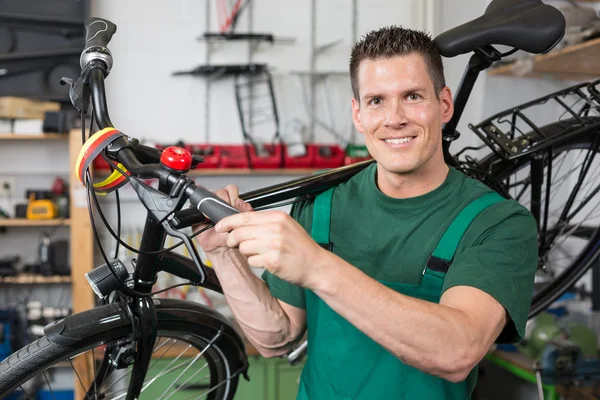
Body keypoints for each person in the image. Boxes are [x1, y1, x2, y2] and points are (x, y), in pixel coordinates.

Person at [195, 26, 538, 399]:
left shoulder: (498, 223)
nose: (394, 118)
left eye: (412, 96)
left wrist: (317, 267)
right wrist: (222, 253)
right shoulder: (321, 203)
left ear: (444, 105)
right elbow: (275, 339)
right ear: (358, 114)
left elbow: (457, 351)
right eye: (376, 101)